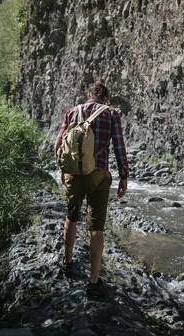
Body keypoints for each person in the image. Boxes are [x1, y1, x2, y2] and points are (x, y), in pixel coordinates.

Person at [54, 80, 129, 297]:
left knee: (71, 216)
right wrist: (124, 176)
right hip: (98, 173)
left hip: (73, 174)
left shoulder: (72, 112)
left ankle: (67, 263)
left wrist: (63, 170)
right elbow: (119, 147)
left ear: (88, 95)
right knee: (97, 227)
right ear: (106, 98)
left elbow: (59, 145)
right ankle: (94, 281)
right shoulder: (112, 114)